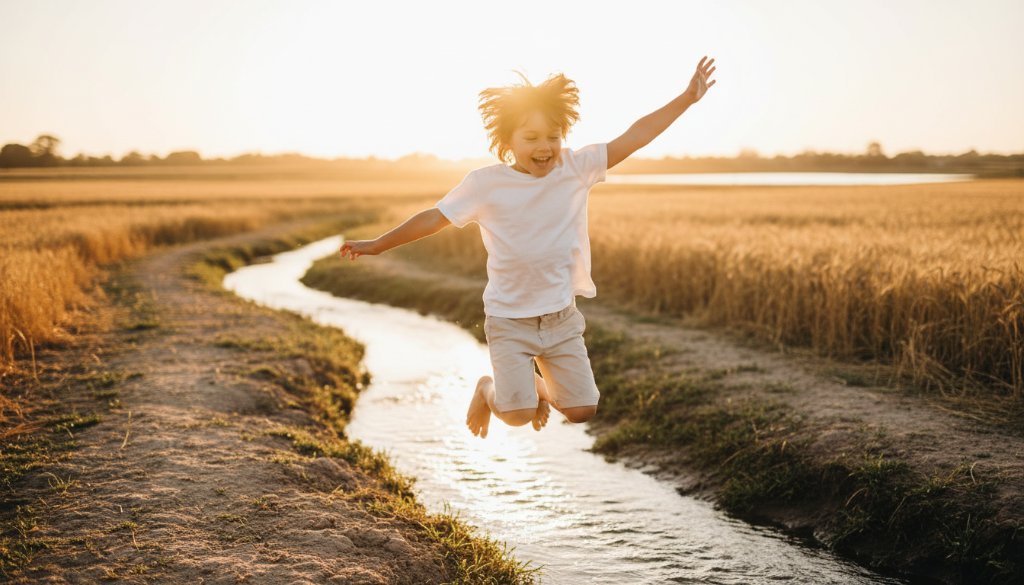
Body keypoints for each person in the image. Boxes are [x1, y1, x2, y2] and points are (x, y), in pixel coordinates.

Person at [339, 56, 717, 438]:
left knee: (583, 410)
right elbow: (435, 217)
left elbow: (634, 136)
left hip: (559, 318)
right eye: (531, 138)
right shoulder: (486, 184)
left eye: (553, 136)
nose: (544, 147)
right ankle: (487, 389)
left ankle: (536, 387)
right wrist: (379, 244)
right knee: (517, 415)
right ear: (507, 142)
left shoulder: (576, 168)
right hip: (508, 319)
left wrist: (687, 98)